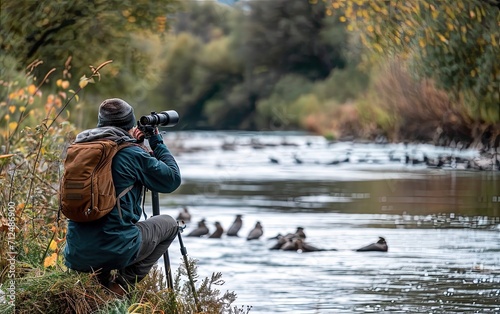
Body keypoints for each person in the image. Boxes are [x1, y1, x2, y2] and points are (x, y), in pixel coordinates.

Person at [63, 98, 181, 295]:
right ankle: (119, 288)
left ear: (100, 123)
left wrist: (135, 144)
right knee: (169, 224)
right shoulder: (132, 153)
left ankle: (100, 285)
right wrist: (156, 141)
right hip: (114, 250)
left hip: (75, 253)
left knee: (107, 227)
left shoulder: (80, 149)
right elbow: (172, 179)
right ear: (130, 125)